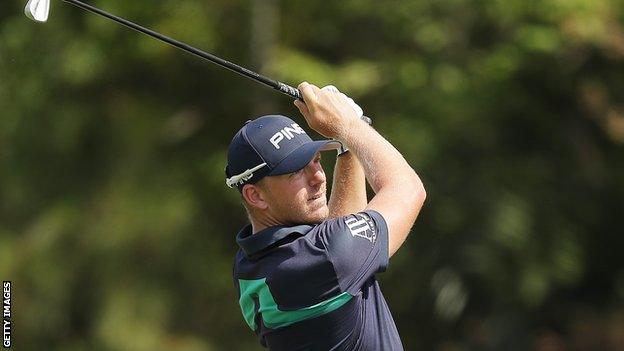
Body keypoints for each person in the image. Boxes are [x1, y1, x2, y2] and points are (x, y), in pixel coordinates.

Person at [225, 82, 426, 350]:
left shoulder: (250, 264)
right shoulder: (324, 257)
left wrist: (347, 145)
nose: (318, 177)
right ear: (255, 195)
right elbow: (409, 190)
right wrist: (352, 127)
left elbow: (339, 237)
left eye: (316, 160)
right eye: (295, 172)